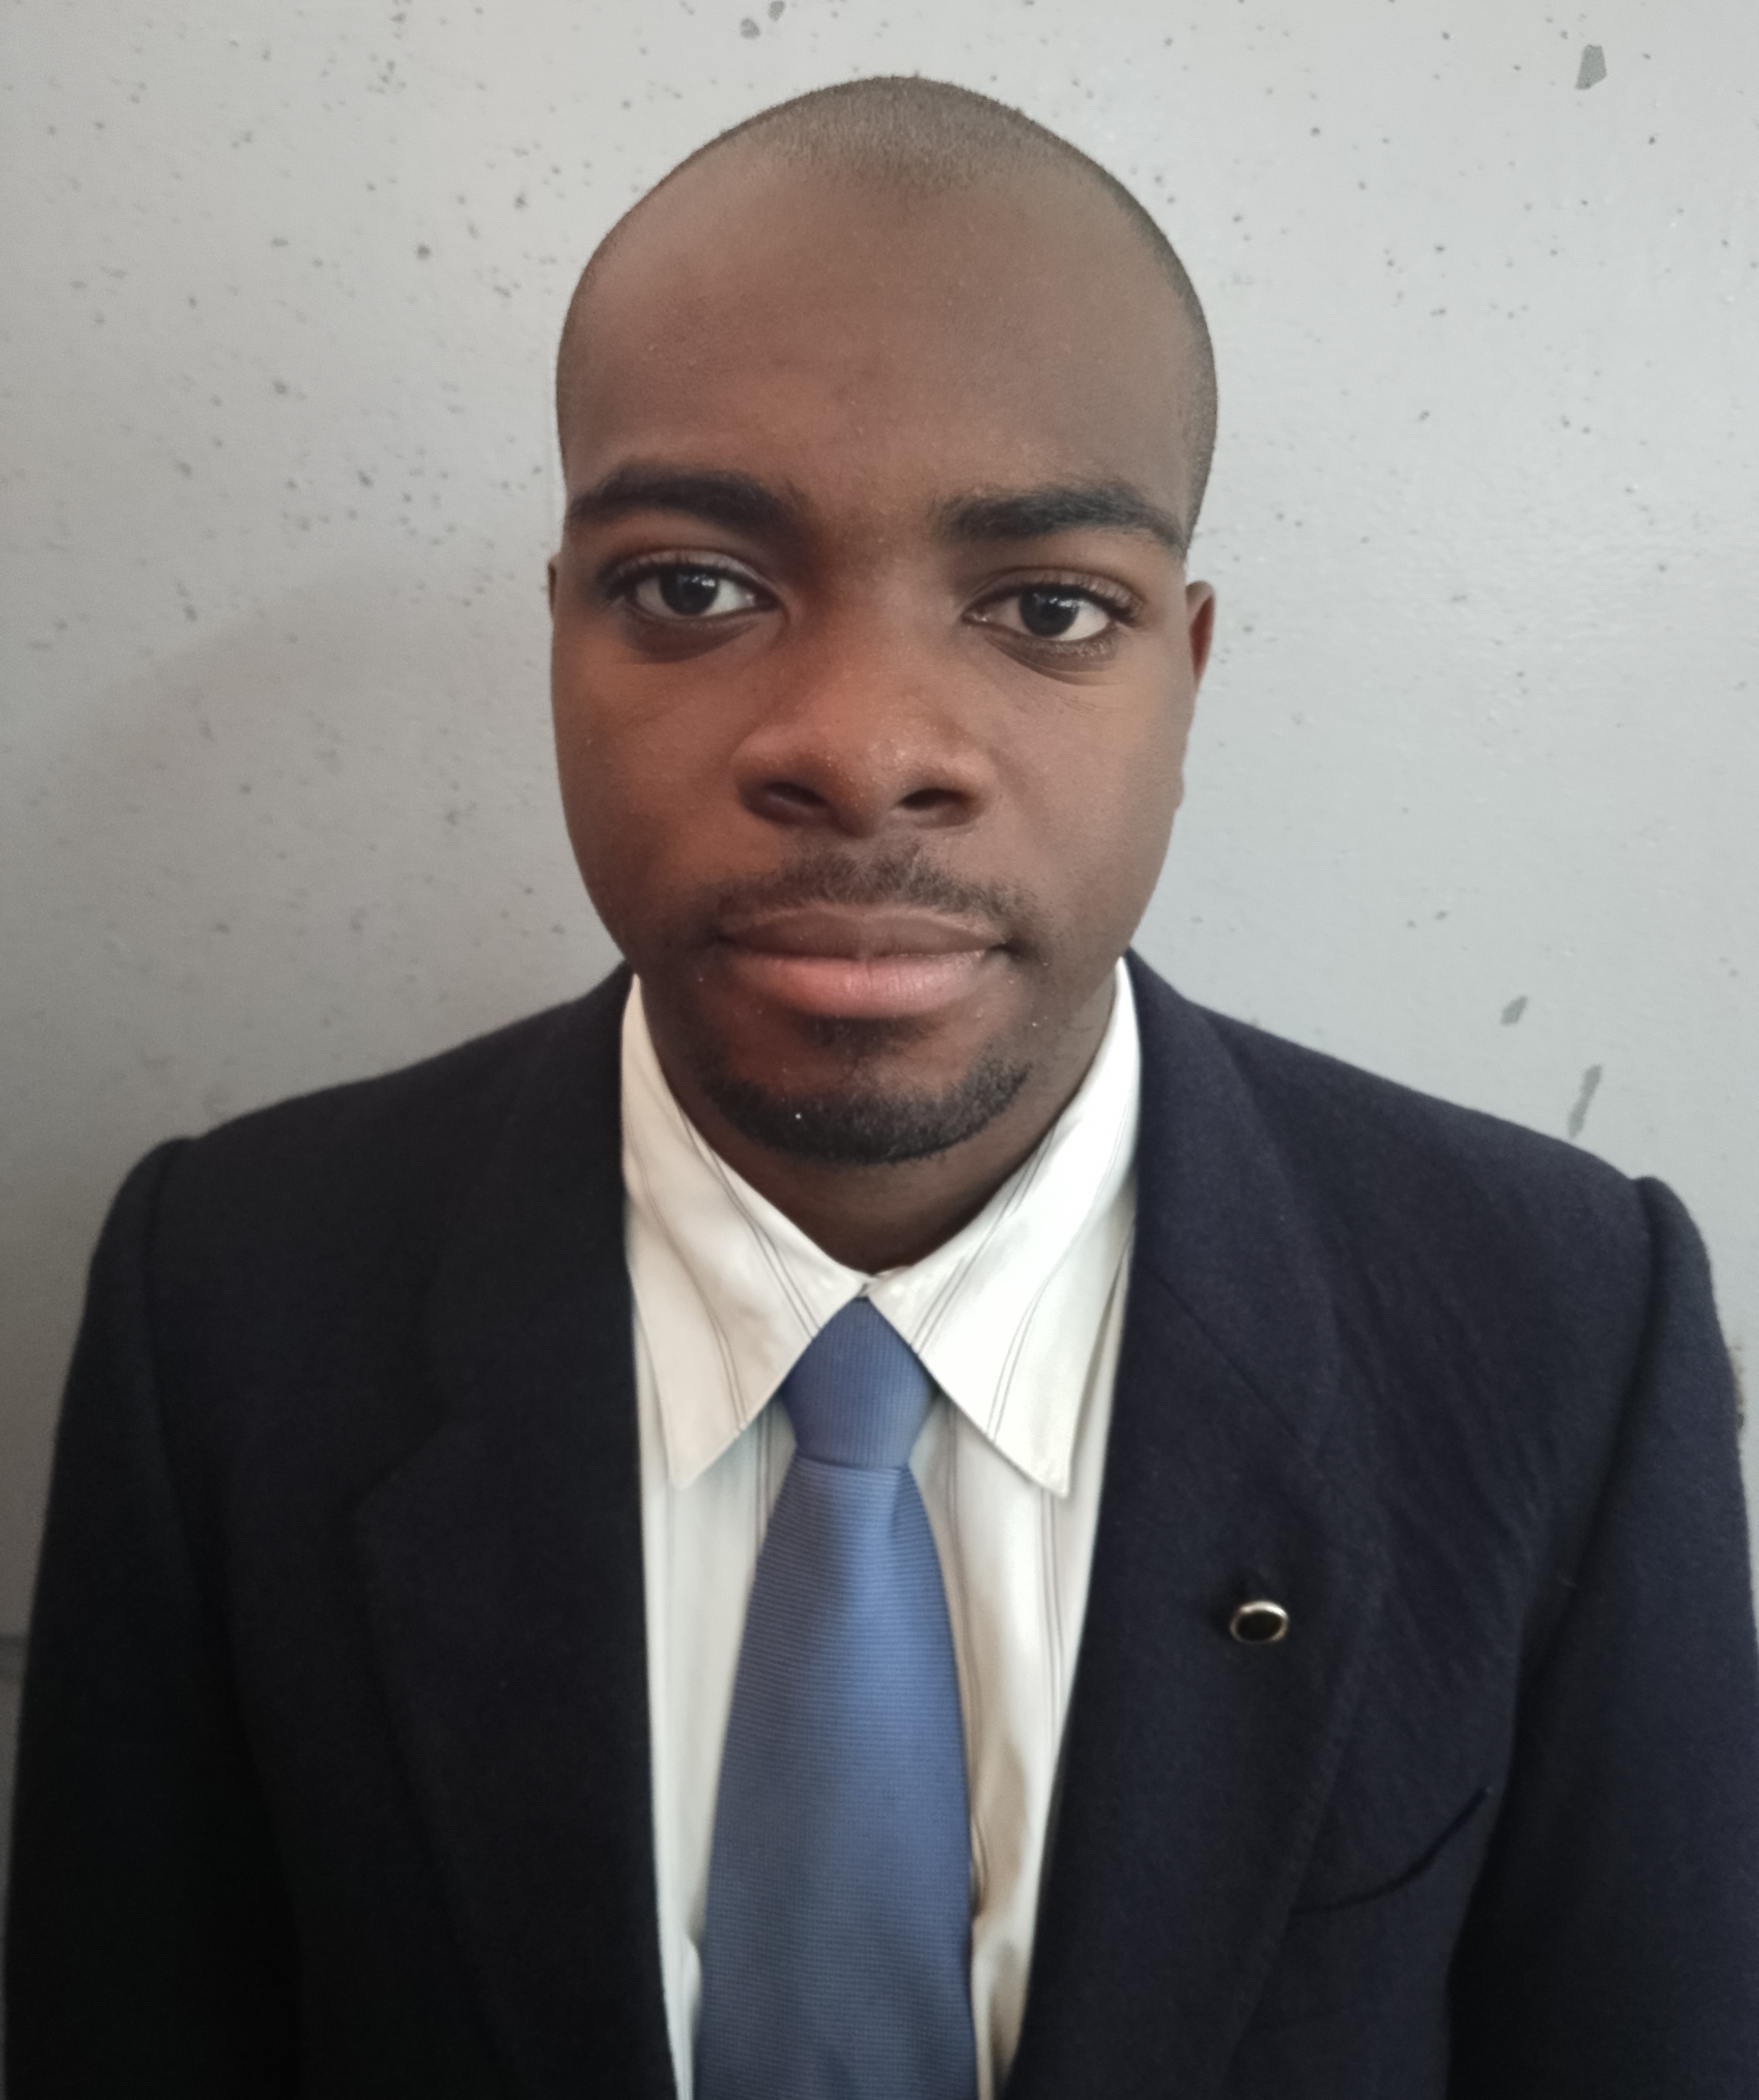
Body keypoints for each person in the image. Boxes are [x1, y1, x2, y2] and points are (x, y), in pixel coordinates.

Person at [6, 75, 1757, 2100]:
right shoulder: (228, 1307)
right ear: (560, 634)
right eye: (693, 586)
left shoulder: (1560, 1328)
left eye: (1048, 609)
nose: (858, 746)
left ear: (1187, 673)